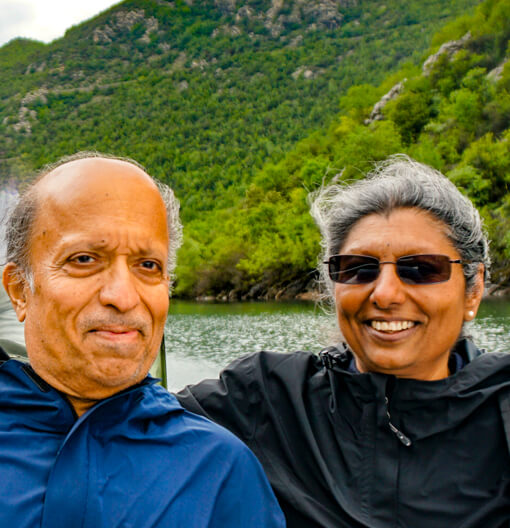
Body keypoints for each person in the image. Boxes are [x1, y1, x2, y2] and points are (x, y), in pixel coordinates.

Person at [177, 155, 510, 528]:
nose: (385, 294)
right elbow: (124, 424)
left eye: (420, 268)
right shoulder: (268, 399)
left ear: (473, 290)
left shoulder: (502, 409)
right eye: (358, 268)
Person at [0, 152, 285, 528]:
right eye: (85, 259)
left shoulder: (221, 471)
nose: (123, 295)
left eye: (148, 266)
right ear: (19, 290)